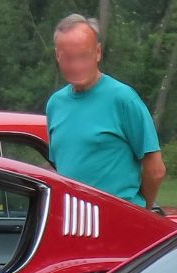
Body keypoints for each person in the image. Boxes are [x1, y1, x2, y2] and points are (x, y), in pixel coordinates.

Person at [46, 14, 166, 211]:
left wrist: (141, 211)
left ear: (98, 53)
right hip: (74, 224)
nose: (76, 65)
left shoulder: (123, 99)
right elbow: (64, 167)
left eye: (83, 56)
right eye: (68, 58)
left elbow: (155, 170)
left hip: (118, 221)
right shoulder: (55, 104)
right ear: (57, 55)